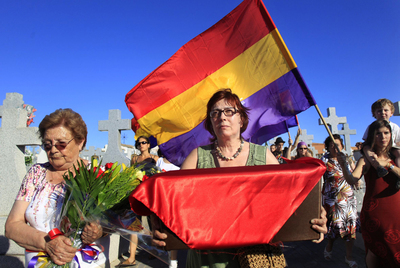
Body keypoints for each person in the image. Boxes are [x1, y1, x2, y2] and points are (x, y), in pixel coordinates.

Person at [152, 88, 327, 268]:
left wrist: (313, 214)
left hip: (254, 259)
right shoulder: (196, 157)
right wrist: (158, 225)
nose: (222, 117)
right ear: (210, 122)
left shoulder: (263, 156)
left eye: (229, 111)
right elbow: (174, 203)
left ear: (241, 119)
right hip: (206, 260)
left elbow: (290, 200)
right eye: (215, 113)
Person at [5, 108, 107, 267]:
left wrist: (99, 230)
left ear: (80, 142)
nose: (53, 150)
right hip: (38, 262)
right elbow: (12, 225)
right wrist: (47, 243)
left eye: (61, 144)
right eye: (47, 144)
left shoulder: (95, 175)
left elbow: (112, 222)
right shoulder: (36, 174)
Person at [340, 120, 400, 267]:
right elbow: (352, 179)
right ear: (372, 137)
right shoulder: (365, 160)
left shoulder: (396, 156)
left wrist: (389, 165)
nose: (383, 137)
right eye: (378, 133)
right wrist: (343, 165)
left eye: (386, 133)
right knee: (375, 250)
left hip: (397, 211)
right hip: (375, 212)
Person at [321, 134, 360, 268]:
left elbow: (354, 173)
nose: (334, 147)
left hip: (348, 198)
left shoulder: (347, 159)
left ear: (342, 146)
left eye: (337, 144)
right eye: (331, 145)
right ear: (328, 147)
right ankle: (329, 246)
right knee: (336, 226)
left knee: (350, 228)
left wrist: (357, 180)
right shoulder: (324, 161)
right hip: (333, 199)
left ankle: (349, 257)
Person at [121, 135, 160, 266]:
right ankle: (131, 257)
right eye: (139, 143)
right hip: (137, 192)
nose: (141, 145)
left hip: (149, 193)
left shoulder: (155, 158)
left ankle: (153, 250)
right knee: (135, 223)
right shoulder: (134, 159)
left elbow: (158, 175)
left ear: (149, 145)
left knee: (152, 222)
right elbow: (131, 174)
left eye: (144, 142)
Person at [362, 99, 400, 177]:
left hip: (391, 148)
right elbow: (366, 139)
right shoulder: (371, 127)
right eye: (379, 111)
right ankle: (378, 167)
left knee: (399, 152)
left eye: (386, 110)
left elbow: (398, 141)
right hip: (376, 149)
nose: (383, 112)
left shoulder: (394, 126)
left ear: (391, 113)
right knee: (366, 148)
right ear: (374, 114)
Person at [156, 149, 180, 268]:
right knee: (164, 228)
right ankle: (166, 254)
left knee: (173, 229)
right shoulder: (160, 161)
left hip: (175, 199)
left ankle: (173, 260)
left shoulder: (181, 161)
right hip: (163, 198)